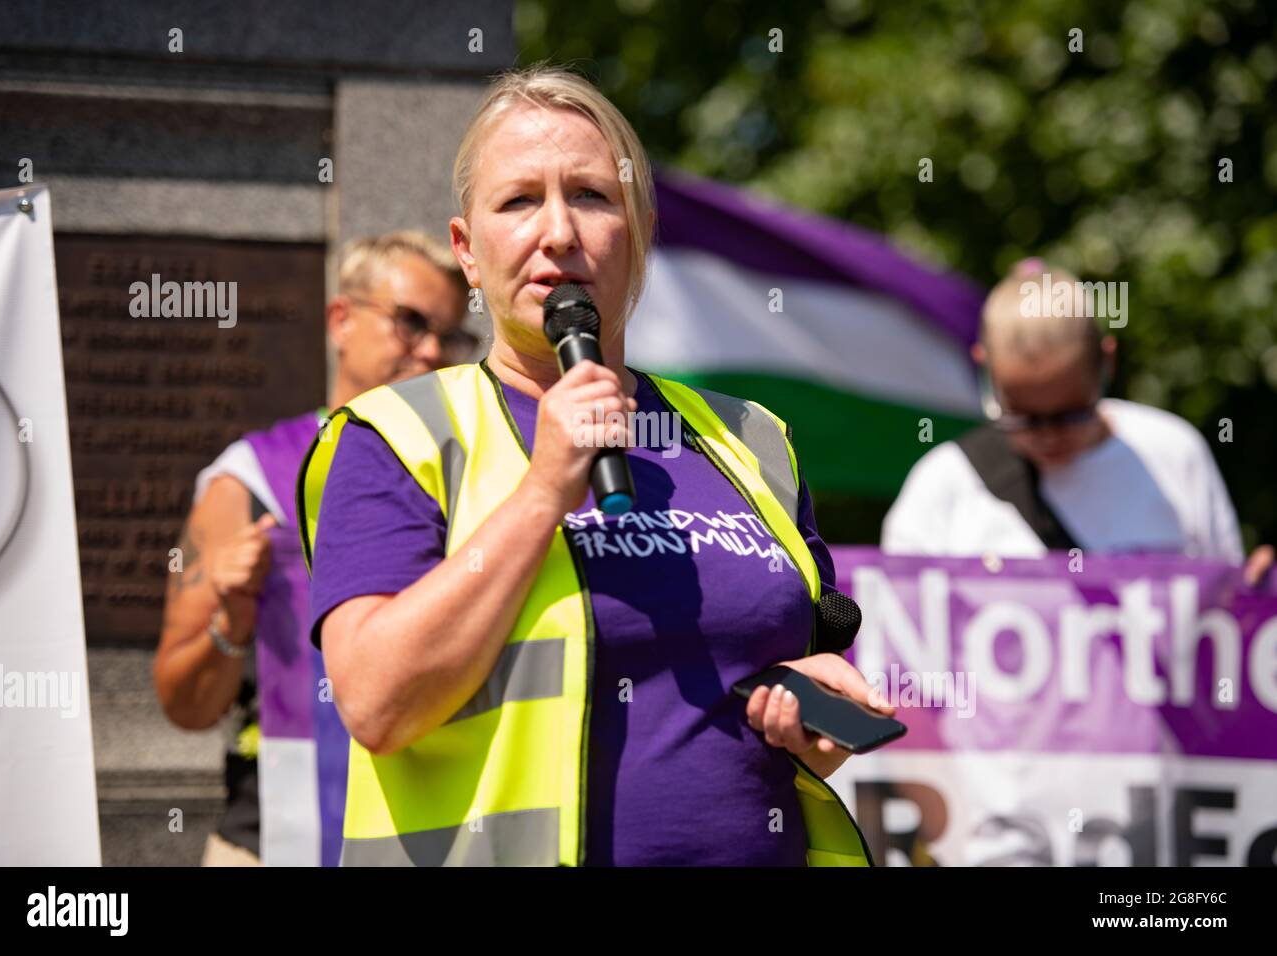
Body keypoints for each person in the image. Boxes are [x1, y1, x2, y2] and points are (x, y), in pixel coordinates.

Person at [298, 65, 892, 867]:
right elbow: (376, 701)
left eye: (590, 195)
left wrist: (812, 712)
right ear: (467, 252)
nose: (558, 233)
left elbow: (777, 686)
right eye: (518, 201)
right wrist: (544, 488)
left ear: (640, 229)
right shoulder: (395, 436)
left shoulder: (752, 438)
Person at [154, 231, 474, 866]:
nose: (433, 350)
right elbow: (183, 704)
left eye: (453, 335)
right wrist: (230, 620)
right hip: (273, 842)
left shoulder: (480, 475)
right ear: (340, 320)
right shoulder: (247, 480)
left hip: (443, 833)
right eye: (410, 323)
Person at [883, 258, 1272, 583]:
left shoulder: (1173, 452)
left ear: (1107, 362)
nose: (1049, 436)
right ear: (985, 372)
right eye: (1024, 417)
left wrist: (1253, 596)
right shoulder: (943, 485)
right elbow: (901, 632)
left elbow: (1221, 609)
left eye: (1070, 414)